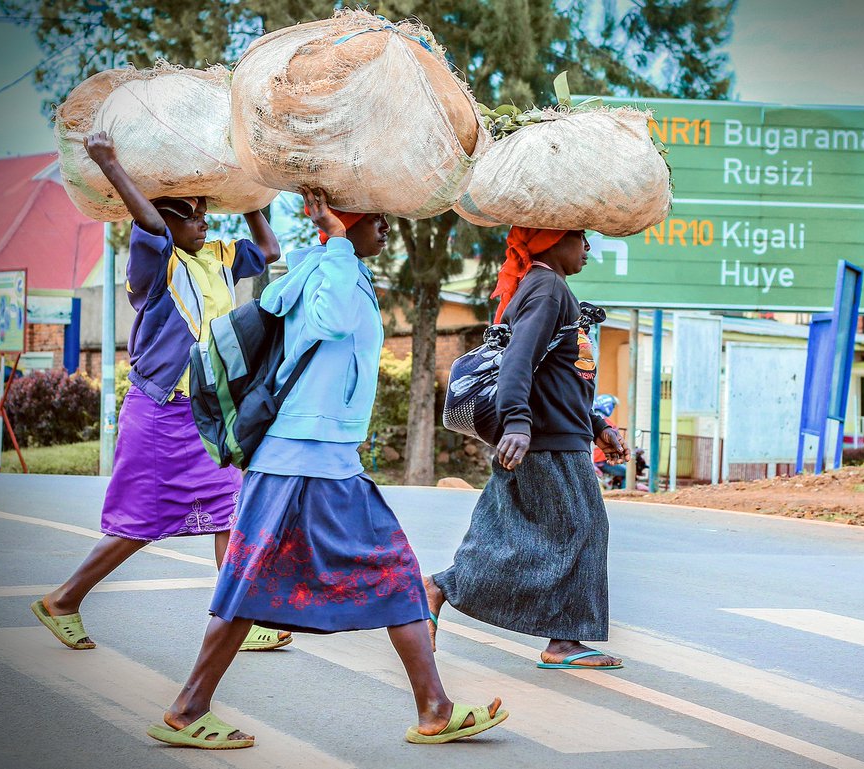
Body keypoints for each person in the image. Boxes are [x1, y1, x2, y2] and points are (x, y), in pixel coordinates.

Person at [147, 188, 507, 750]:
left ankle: (434, 707)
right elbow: (331, 323)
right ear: (343, 220)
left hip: (330, 459)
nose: (385, 228)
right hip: (295, 458)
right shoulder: (325, 268)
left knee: (394, 571)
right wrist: (336, 240)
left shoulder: (339, 267)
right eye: (374, 218)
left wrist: (340, 245)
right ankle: (189, 708)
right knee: (248, 584)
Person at [31, 131, 290, 653]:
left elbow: (268, 249)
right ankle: (63, 600)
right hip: (157, 411)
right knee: (139, 522)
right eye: (189, 214)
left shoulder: (216, 257)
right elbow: (147, 223)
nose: (202, 222)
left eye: (203, 213)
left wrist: (250, 200)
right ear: (166, 220)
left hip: (205, 412)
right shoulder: (153, 264)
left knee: (228, 509)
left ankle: (241, 614)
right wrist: (109, 163)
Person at [425, 227, 630, 670]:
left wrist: (596, 426)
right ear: (551, 241)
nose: (588, 248)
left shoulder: (548, 288)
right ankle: (447, 590)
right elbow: (519, 358)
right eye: (580, 238)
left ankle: (559, 638)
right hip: (545, 441)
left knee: (516, 536)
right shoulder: (546, 287)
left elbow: (557, 375)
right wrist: (517, 421)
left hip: (556, 435)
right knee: (583, 532)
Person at [591, 394, 627, 488]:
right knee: (628, 473)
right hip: (603, 461)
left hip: (593, 460)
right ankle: (623, 494)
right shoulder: (607, 424)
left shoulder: (590, 419)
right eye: (613, 406)